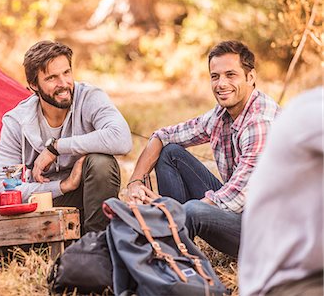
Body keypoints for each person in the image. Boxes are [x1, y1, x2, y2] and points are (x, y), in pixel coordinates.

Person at [126, 40, 280, 257]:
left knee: (192, 210)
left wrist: (175, 210)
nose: (221, 84)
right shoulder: (221, 115)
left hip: (269, 235)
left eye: (230, 75)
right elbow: (163, 136)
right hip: (242, 213)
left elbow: (236, 196)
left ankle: (170, 244)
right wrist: (134, 182)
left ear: (250, 77)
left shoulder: (260, 123)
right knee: (170, 153)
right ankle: (175, 238)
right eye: (215, 76)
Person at [0, 40, 132, 233]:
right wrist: (64, 186)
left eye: (67, 73)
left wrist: (56, 148)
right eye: (52, 78)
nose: (64, 84)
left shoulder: (89, 97)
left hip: (90, 198)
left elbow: (122, 139)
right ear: (33, 85)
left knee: (101, 163)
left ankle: (97, 244)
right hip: (44, 203)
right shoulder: (16, 121)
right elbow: (3, 191)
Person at [239, 86, 323, 296]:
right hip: (290, 283)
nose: (221, 84)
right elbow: (234, 197)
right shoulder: (311, 113)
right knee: (196, 211)